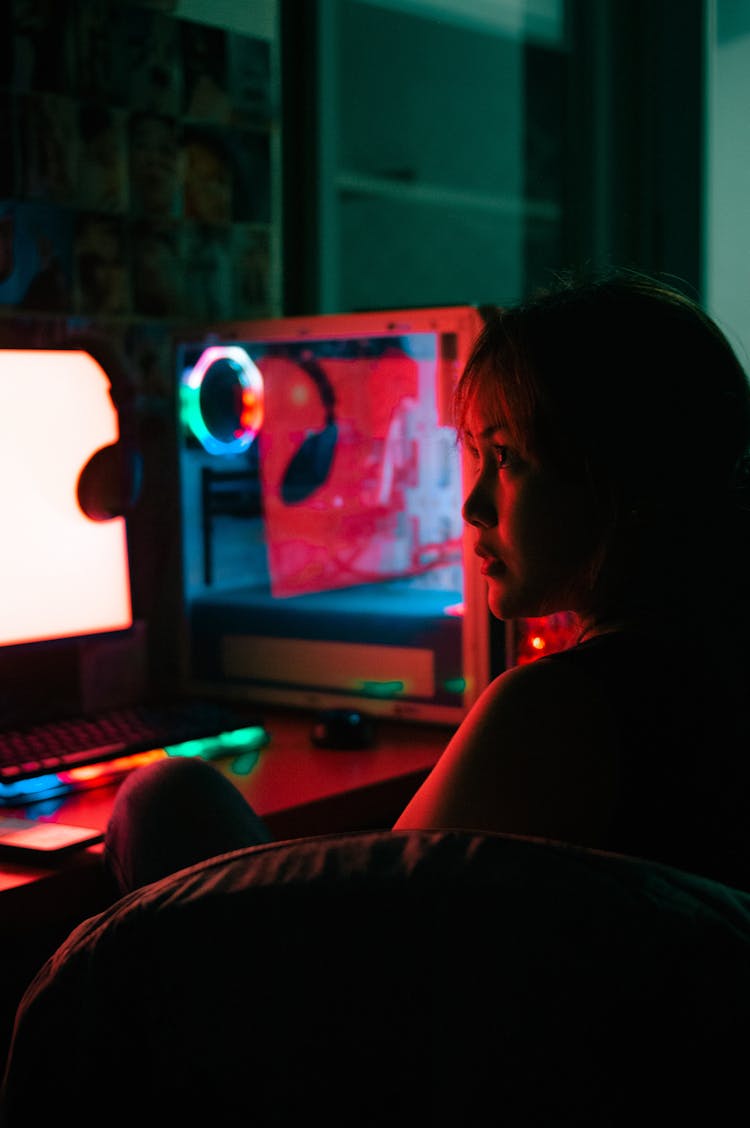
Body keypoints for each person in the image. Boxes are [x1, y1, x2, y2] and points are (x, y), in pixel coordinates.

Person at [103, 267, 750, 899]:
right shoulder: (712, 664)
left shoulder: (557, 711)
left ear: (619, 481)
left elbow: (379, 931)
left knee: (163, 797)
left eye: (505, 458)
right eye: (474, 455)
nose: (473, 506)